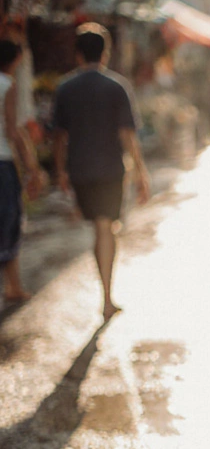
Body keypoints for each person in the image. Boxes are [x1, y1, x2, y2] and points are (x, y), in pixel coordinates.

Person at [53, 23, 150, 321]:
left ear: (78, 54)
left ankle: (105, 294)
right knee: (106, 227)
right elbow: (127, 135)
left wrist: (60, 172)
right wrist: (141, 174)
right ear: (106, 52)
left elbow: (59, 137)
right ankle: (106, 297)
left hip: (80, 169)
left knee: (100, 227)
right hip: (110, 169)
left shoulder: (65, 87)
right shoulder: (117, 86)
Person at [0, 39, 43, 305]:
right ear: (16, 59)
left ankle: (14, 286)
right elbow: (13, 130)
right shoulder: (8, 84)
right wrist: (32, 167)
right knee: (9, 222)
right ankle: (13, 286)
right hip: (2, 162)